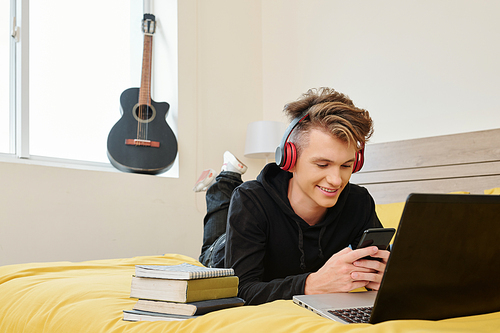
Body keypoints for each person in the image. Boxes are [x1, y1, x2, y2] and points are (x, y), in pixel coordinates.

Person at [194, 87, 389, 305]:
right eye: (322, 164)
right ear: (289, 159)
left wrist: (384, 275)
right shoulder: (251, 200)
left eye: (346, 165)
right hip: (220, 255)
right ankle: (226, 178)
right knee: (212, 245)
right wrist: (311, 284)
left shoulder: (359, 202)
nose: (336, 180)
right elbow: (243, 290)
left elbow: (378, 266)